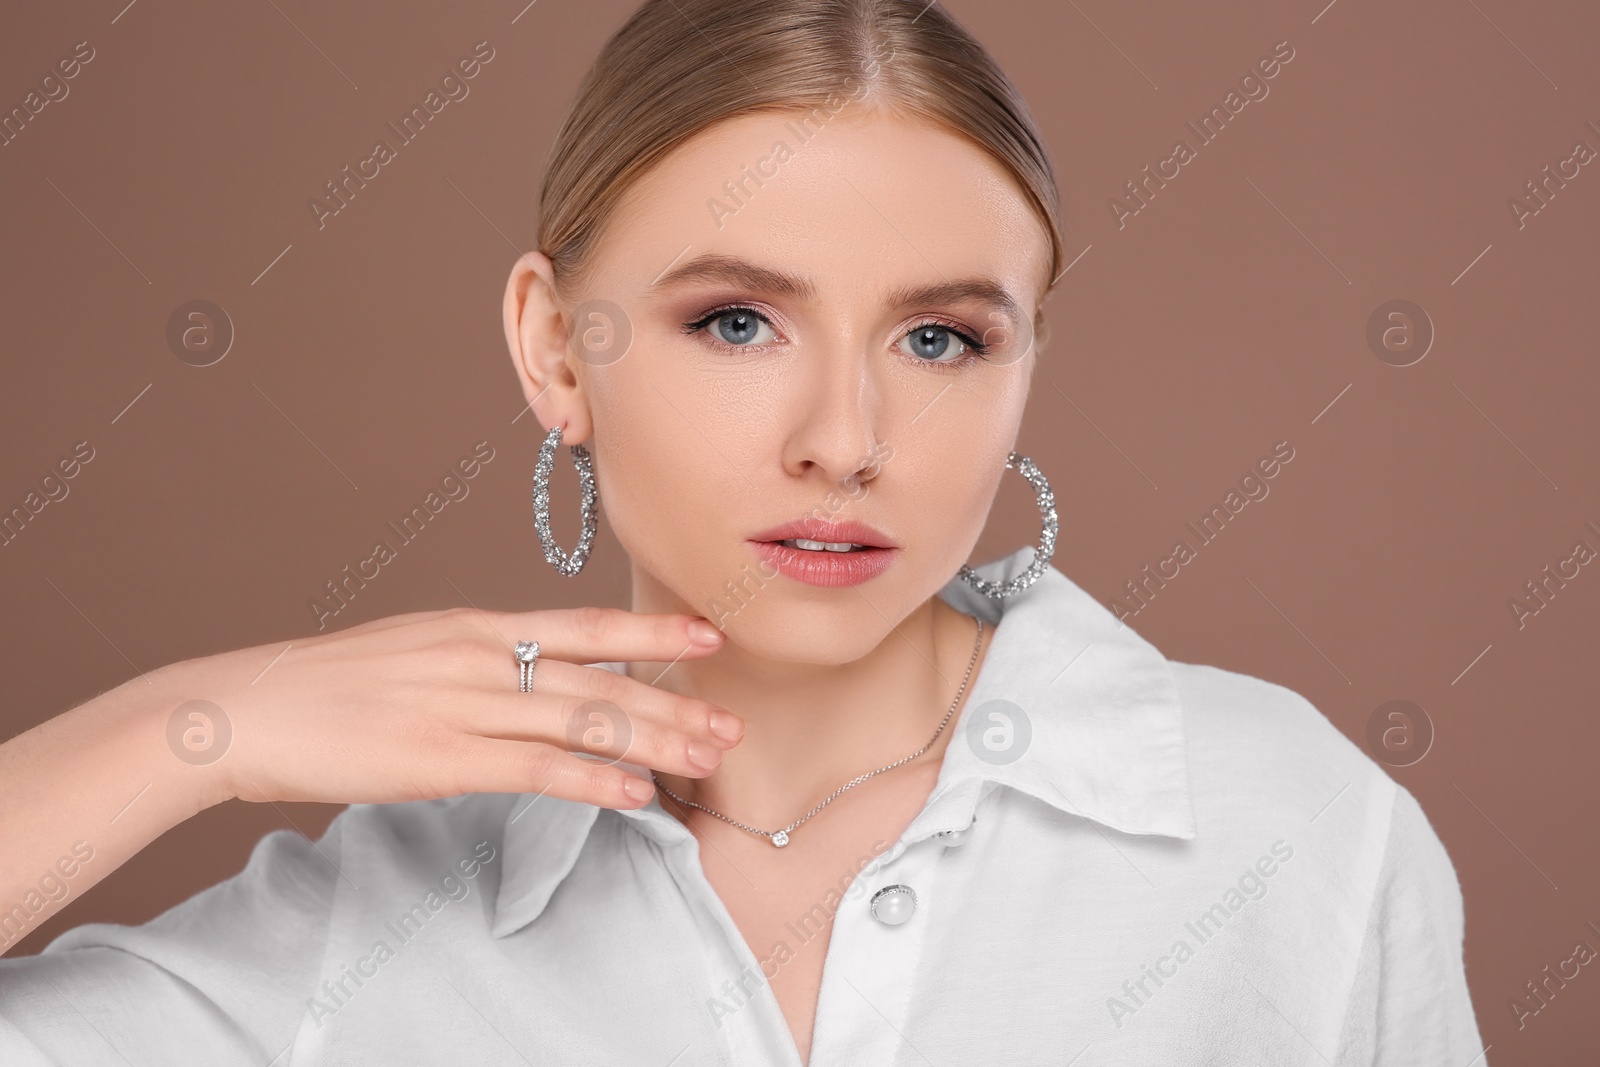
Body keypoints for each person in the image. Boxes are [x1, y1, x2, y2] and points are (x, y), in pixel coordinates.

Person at [0, 1, 1487, 1064]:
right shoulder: (366, 930)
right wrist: (194, 726)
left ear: (1029, 358)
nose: (844, 439)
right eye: (735, 320)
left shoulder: (1294, 838)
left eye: (944, 340)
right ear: (556, 348)